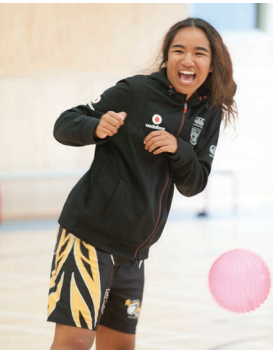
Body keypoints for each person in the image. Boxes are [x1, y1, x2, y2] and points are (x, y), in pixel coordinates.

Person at [47, 17, 237, 350]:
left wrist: (180, 149)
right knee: (74, 341)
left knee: (120, 346)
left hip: (134, 253)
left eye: (199, 53)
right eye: (179, 50)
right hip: (89, 238)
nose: (188, 59)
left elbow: (194, 184)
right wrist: (95, 126)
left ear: (211, 64)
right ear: (167, 57)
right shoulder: (136, 92)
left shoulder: (210, 114)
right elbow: (66, 123)